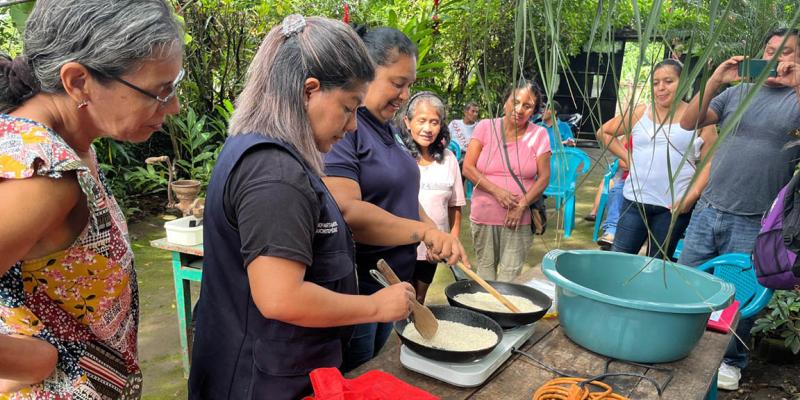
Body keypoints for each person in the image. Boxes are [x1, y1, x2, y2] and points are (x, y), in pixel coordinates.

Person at [188, 17, 415, 400]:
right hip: (260, 381)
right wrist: (374, 307)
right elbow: (281, 297)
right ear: (309, 91)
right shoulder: (274, 173)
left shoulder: (268, 151)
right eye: (348, 108)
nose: (353, 127)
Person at [0, 1, 182, 397]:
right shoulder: (44, 178)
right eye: (159, 92)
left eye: (174, 87)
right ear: (79, 81)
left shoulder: (68, 145)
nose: (174, 107)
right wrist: (37, 360)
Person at [323, 26, 469, 372]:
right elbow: (348, 212)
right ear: (365, 72)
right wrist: (422, 233)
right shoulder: (347, 128)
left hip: (393, 281)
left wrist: (435, 232)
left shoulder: (386, 129)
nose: (405, 95)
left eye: (409, 85)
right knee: (356, 373)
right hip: (359, 285)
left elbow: (403, 194)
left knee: (377, 365)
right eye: (397, 83)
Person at [678, 28, 800, 391]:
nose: (778, 57)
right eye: (771, 50)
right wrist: (716, 79)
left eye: (789, 52)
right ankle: (685, 345)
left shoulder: (795, 100)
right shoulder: (739, 93)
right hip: (708, 209)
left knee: (740, 294)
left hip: (755, 219)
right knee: (689, 283)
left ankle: (732, 359)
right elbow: (688, 121)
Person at [598, 59, 717, 259]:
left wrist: (691, 196)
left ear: (684, 83)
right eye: (655, 83)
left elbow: (710, 162)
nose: (661, 88)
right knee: (618, 260)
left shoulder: (701, 119)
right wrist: (628, 157)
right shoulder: (640, 113)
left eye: (668, 81)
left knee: (658, 265)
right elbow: (604, 132)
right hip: (634, 202)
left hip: (673, 208)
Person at [462, 79, 551, 282]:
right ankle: (485, 315)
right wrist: (497, 191)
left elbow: (544, 177)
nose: (519, 109)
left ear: (534, 111)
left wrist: (521, 205)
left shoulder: (539, 134)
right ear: (505, 102)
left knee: (509, 280)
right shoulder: (485, 127)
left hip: (519, 219)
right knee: (485, 275)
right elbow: (468, 168)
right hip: (484, 214)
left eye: (527, 106)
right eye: (515, 101)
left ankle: (503, 314)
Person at [398, 91, 466, 304]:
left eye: (434, 122)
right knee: (401, 298)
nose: (428, 128)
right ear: (407, 122)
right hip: (400, 245)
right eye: (422, 121)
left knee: (419, 299)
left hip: (433, 250)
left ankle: (411, 337)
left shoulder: (449, 159)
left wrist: (450, 241)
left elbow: (455, 207)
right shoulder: (398, 157)